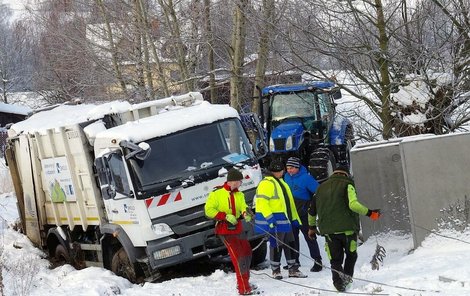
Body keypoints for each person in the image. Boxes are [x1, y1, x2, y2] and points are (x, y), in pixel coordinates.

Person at [307, 165, 381, 292]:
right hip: (347, 230)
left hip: (329, 231)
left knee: (335, 259)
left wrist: (312, 228)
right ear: (346, 174)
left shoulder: (320, 189)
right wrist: (370, 213)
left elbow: (311, 211)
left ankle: (338, 283)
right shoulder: (347, 185)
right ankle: (346, 279)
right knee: (351, 255)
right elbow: (353, 205)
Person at [204, 168, 257, 295]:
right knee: (238, 257)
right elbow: (208, 210)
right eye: (240, 181)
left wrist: (246, 213)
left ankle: (245, 283)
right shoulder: (216, 194)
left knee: (246, 252)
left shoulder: (240, 194)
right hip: (224, 230)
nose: (241, 183)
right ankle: (243, 288)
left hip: (237, 227)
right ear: (233, 181)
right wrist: (224, 216)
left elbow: (243, 206)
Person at [254, 159, 307, 279]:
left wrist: (294, 218)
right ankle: (276, 270)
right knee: (276, 245)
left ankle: (293, 268)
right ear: (277, 171)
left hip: (285, 220)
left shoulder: (280, 182)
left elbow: (288, 203)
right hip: (276, 221)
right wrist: (270, 219)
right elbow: (262, 203)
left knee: (290, 244)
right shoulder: (267, 183)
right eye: (281, 170)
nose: (283, 172)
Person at [283, 156, 322, 272]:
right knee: (293, 238)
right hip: (291, 214)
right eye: (288, 168)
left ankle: (317, 261)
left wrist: (312, 206)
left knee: (310, 237)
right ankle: (295, 261)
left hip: (304, 213)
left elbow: (318, 192)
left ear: (297, 167)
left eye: (292, 168)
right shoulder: (286, 177)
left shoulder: (306, 178)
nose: (289, 170)